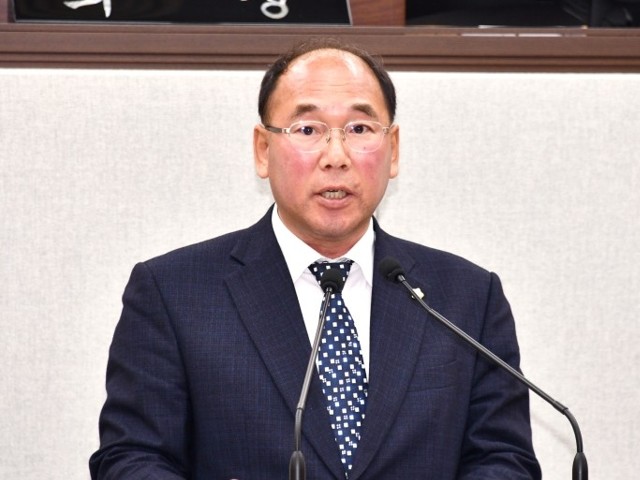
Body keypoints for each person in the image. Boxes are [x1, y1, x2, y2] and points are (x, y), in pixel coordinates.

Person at [89, 38, 541, 479]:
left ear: (393, 149)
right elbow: (131, 458)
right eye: (308, 130)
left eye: (360, 129)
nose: (336, 156)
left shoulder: (466, 297)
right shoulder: (173, 293)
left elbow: (505, 459)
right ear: (263, 150)